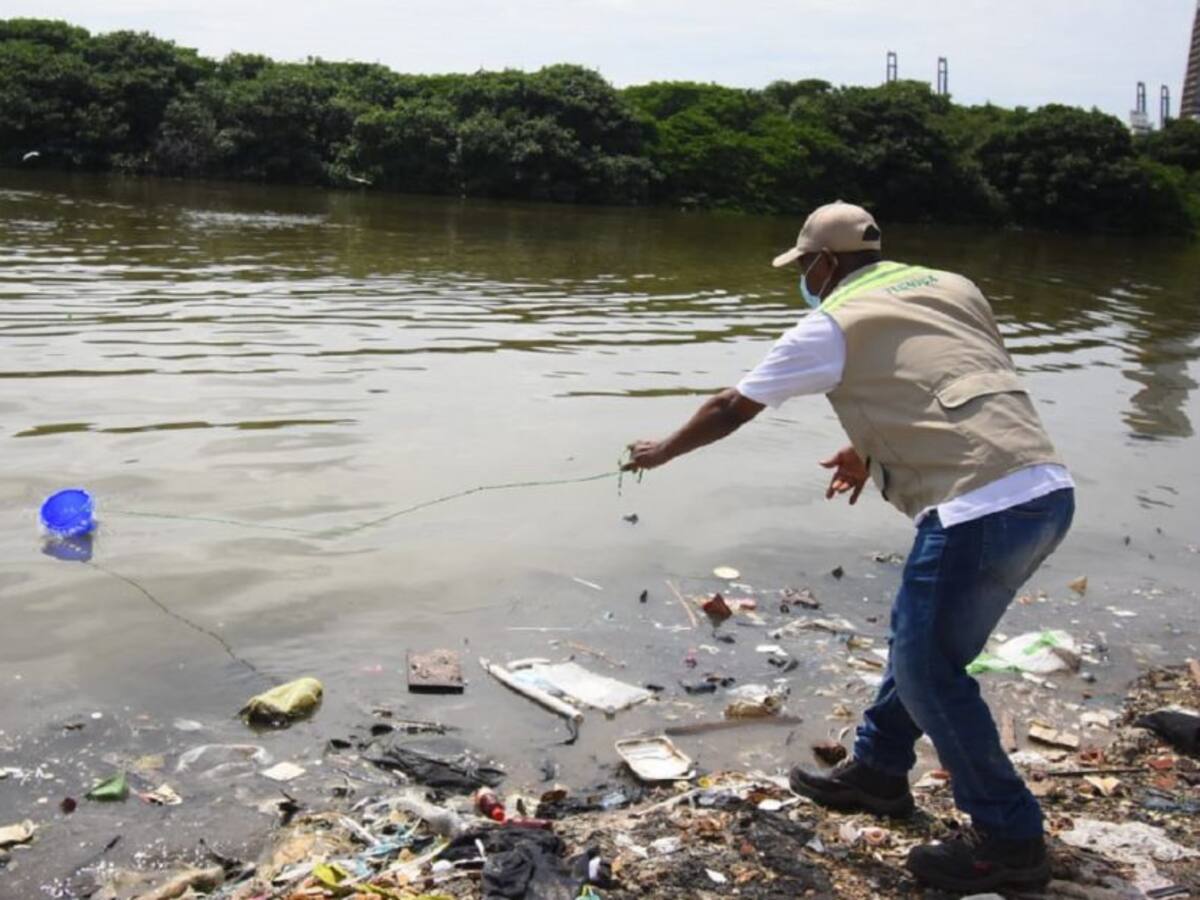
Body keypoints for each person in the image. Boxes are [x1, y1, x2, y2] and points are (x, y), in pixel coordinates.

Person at [622, 201, 1075, 894]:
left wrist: (660, 452)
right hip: (1043, 488)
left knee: (929, 670)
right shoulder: (953, 286)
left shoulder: (830, 322)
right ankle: (879, 772)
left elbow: (729, 406)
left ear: (825, 263)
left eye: (805, 266)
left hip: (977, 506)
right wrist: (869, 447)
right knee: (923, 646)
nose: (804, 278)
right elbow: (946, 378)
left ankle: (1010, 840)